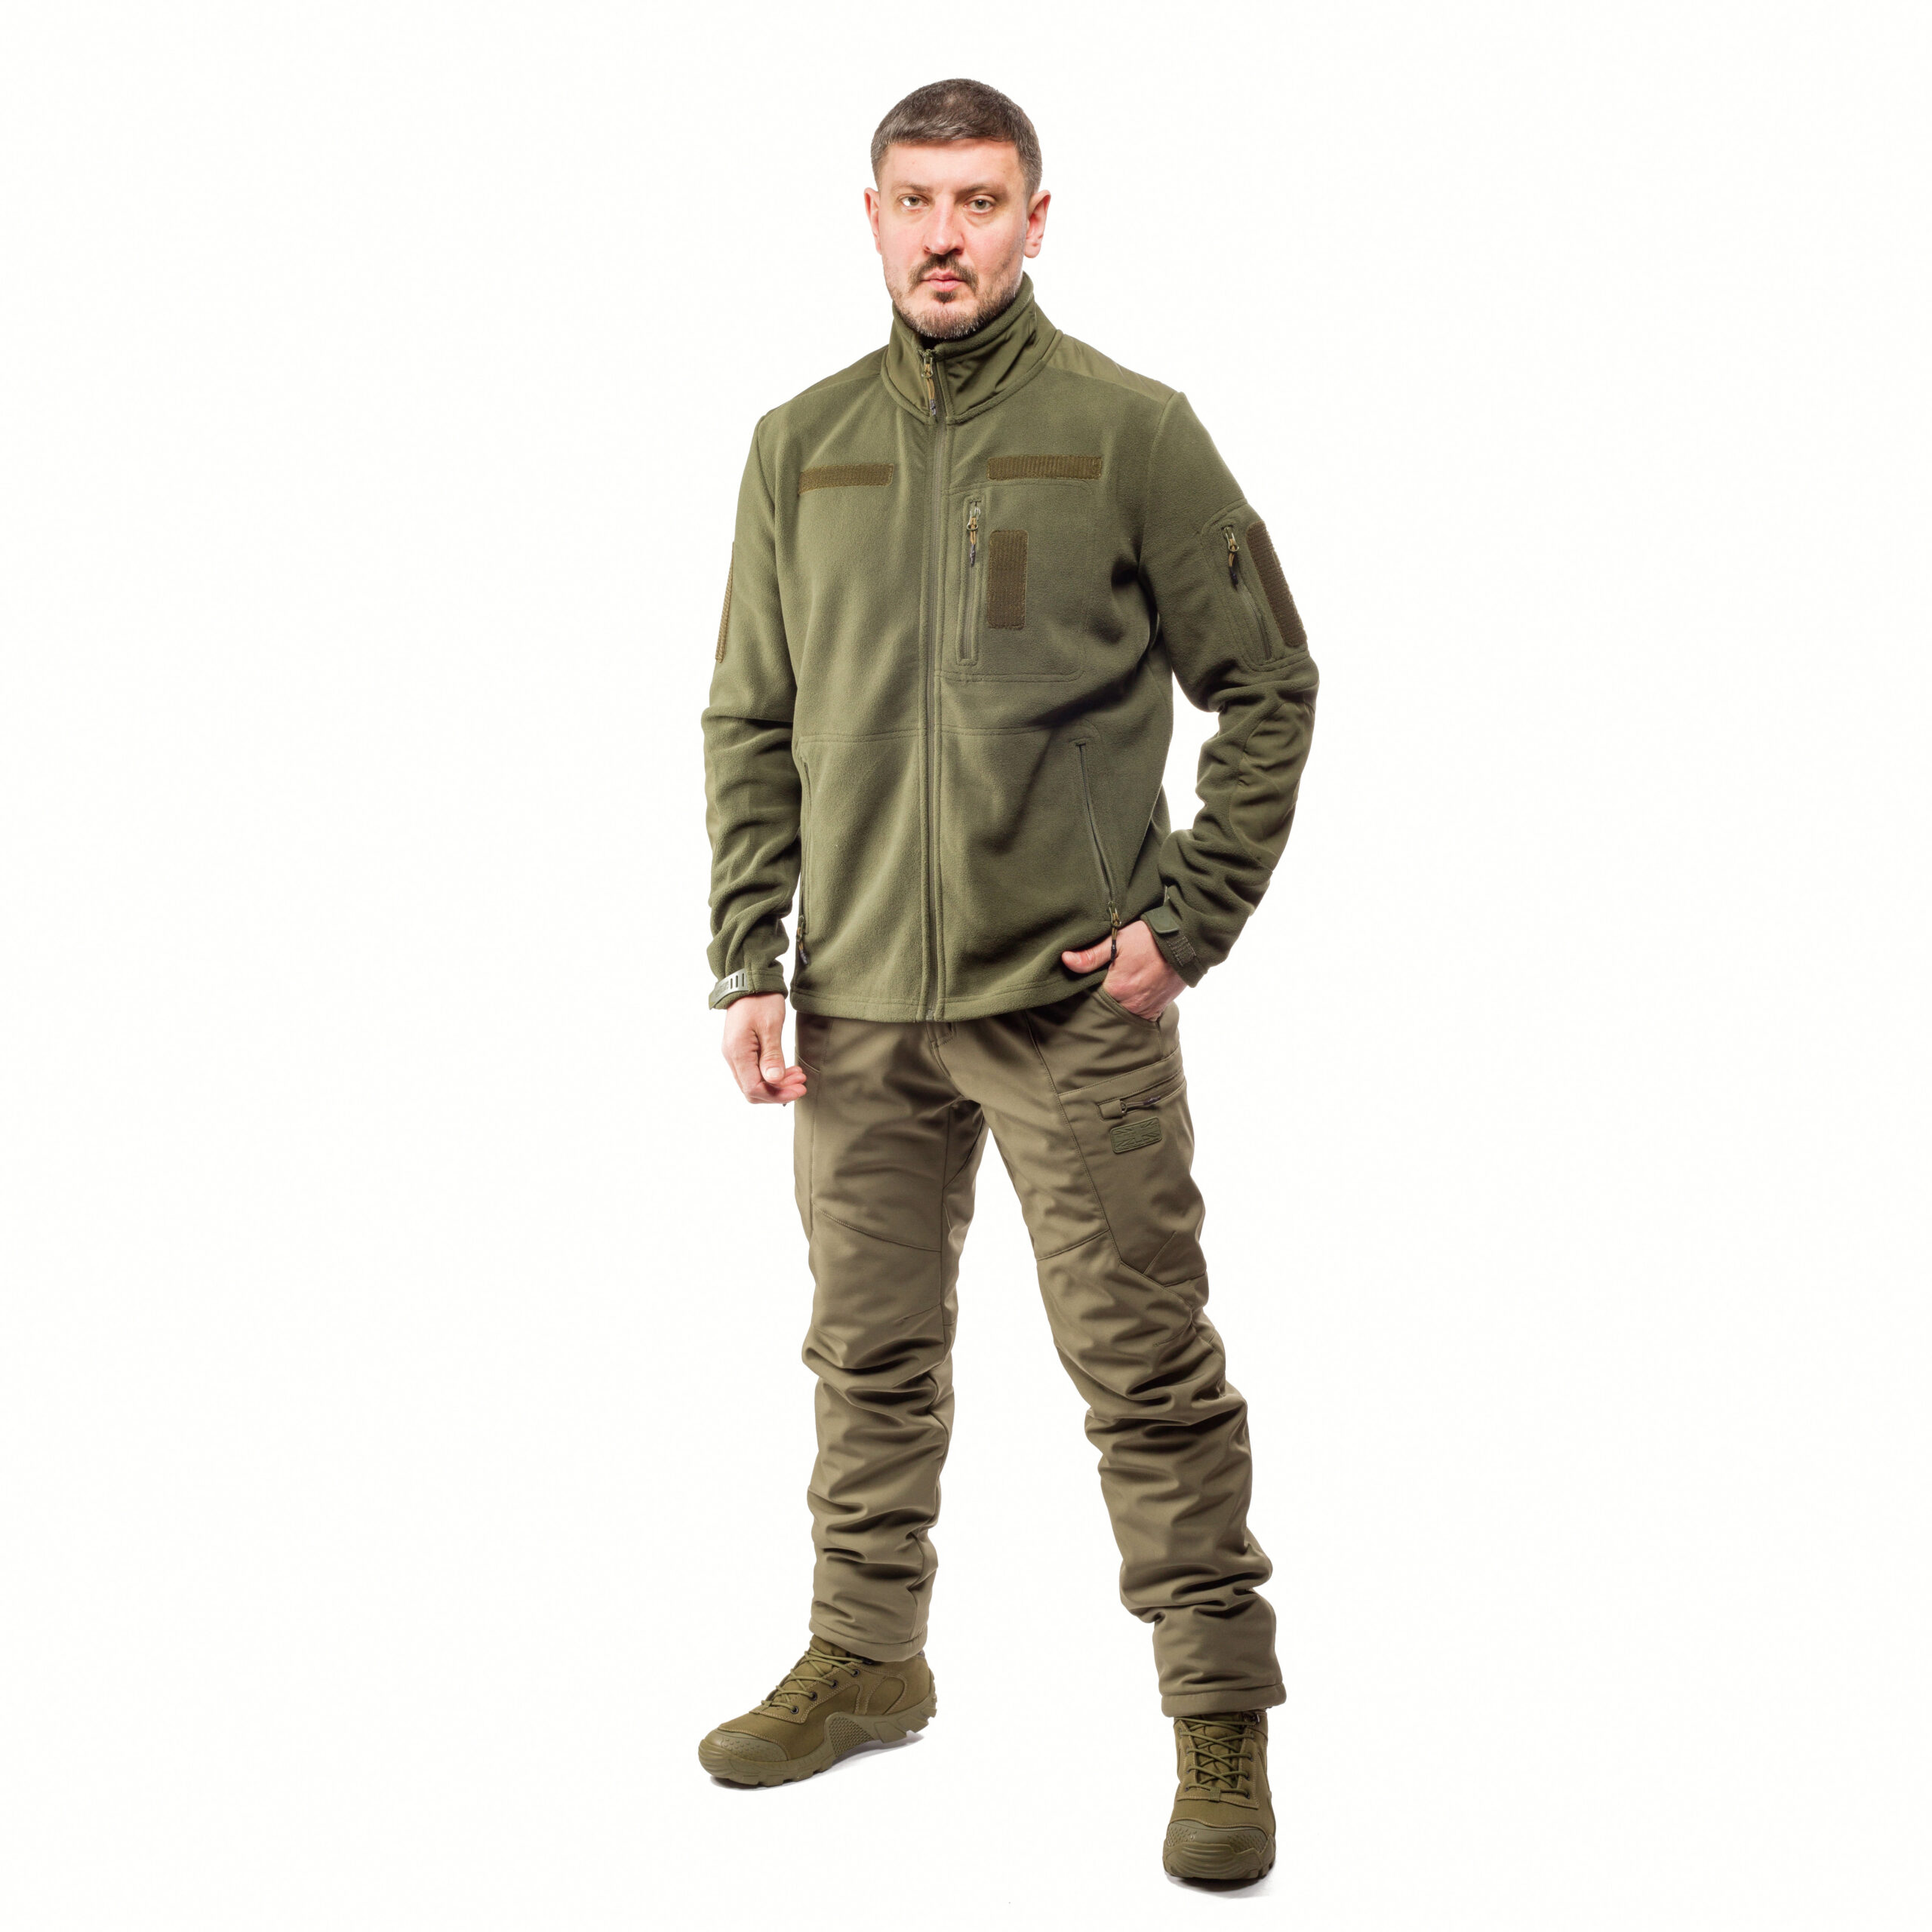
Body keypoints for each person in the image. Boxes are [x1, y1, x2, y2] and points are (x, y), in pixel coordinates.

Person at [696, 77, 1318, 1884]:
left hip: (1068, 1001)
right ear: (870, 217)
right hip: (856, 1001)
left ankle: (1217, 1711)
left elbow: (1269, 683)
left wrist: (1186, 918)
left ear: (1035, 220)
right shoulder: (796, 446)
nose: (945, 234)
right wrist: (749, 950)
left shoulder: (1130, 429)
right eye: (915, 200)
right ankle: (866, 1655)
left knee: (1145, 1366)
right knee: (866, 1356)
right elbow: (750, 716)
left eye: (979, 201)